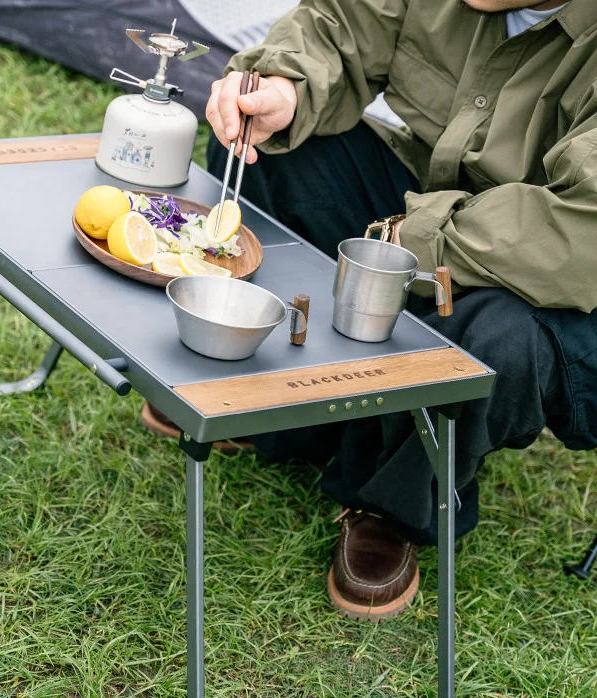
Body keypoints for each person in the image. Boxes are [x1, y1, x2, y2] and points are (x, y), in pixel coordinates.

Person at [143, 0, 597, 620]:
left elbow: (579, 233)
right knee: (268, 148)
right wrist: (285, 87)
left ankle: (392, 507)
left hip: (561, 274)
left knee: (501, 338)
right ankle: (294, 415)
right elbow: (341, 24)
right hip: (428, 203)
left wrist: (411, 241)